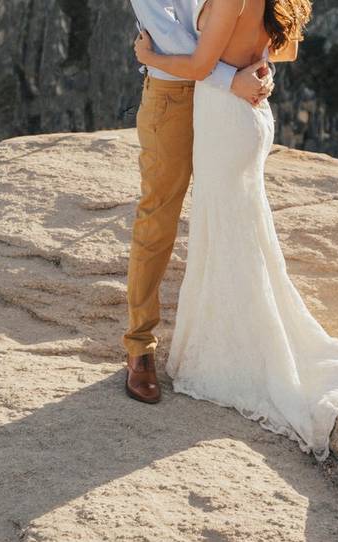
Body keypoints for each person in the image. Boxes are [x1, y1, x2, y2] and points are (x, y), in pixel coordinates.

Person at [132, 0, 338, 461]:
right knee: (180, 222)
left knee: (226, 230)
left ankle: (238, 351)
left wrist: (234, 68)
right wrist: (250, 64)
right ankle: (140, 345)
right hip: (189, 100)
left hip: (222, 104)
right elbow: (193, 40)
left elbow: (199, 57)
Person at [123, 0, 276, 405]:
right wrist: (233, 77)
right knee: (159, 219)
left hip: (224, 101)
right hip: (174, 97)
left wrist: (259, 69)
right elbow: (174, 40)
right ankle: (140, 347)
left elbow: (249, 24)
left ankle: (233, 339)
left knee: (227, 215)